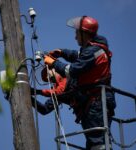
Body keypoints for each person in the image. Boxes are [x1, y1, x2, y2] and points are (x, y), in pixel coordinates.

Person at [43, 16, 116, 150]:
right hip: (97, 102)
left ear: (85, 34)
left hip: (95, 103)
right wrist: (62, 52)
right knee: (95, 143)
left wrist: (53, 62)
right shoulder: (96, 49)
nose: (75, 37)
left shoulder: (93, 52)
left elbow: (71, 70)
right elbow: (78, 55)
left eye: (77, 33)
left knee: (98, 143)